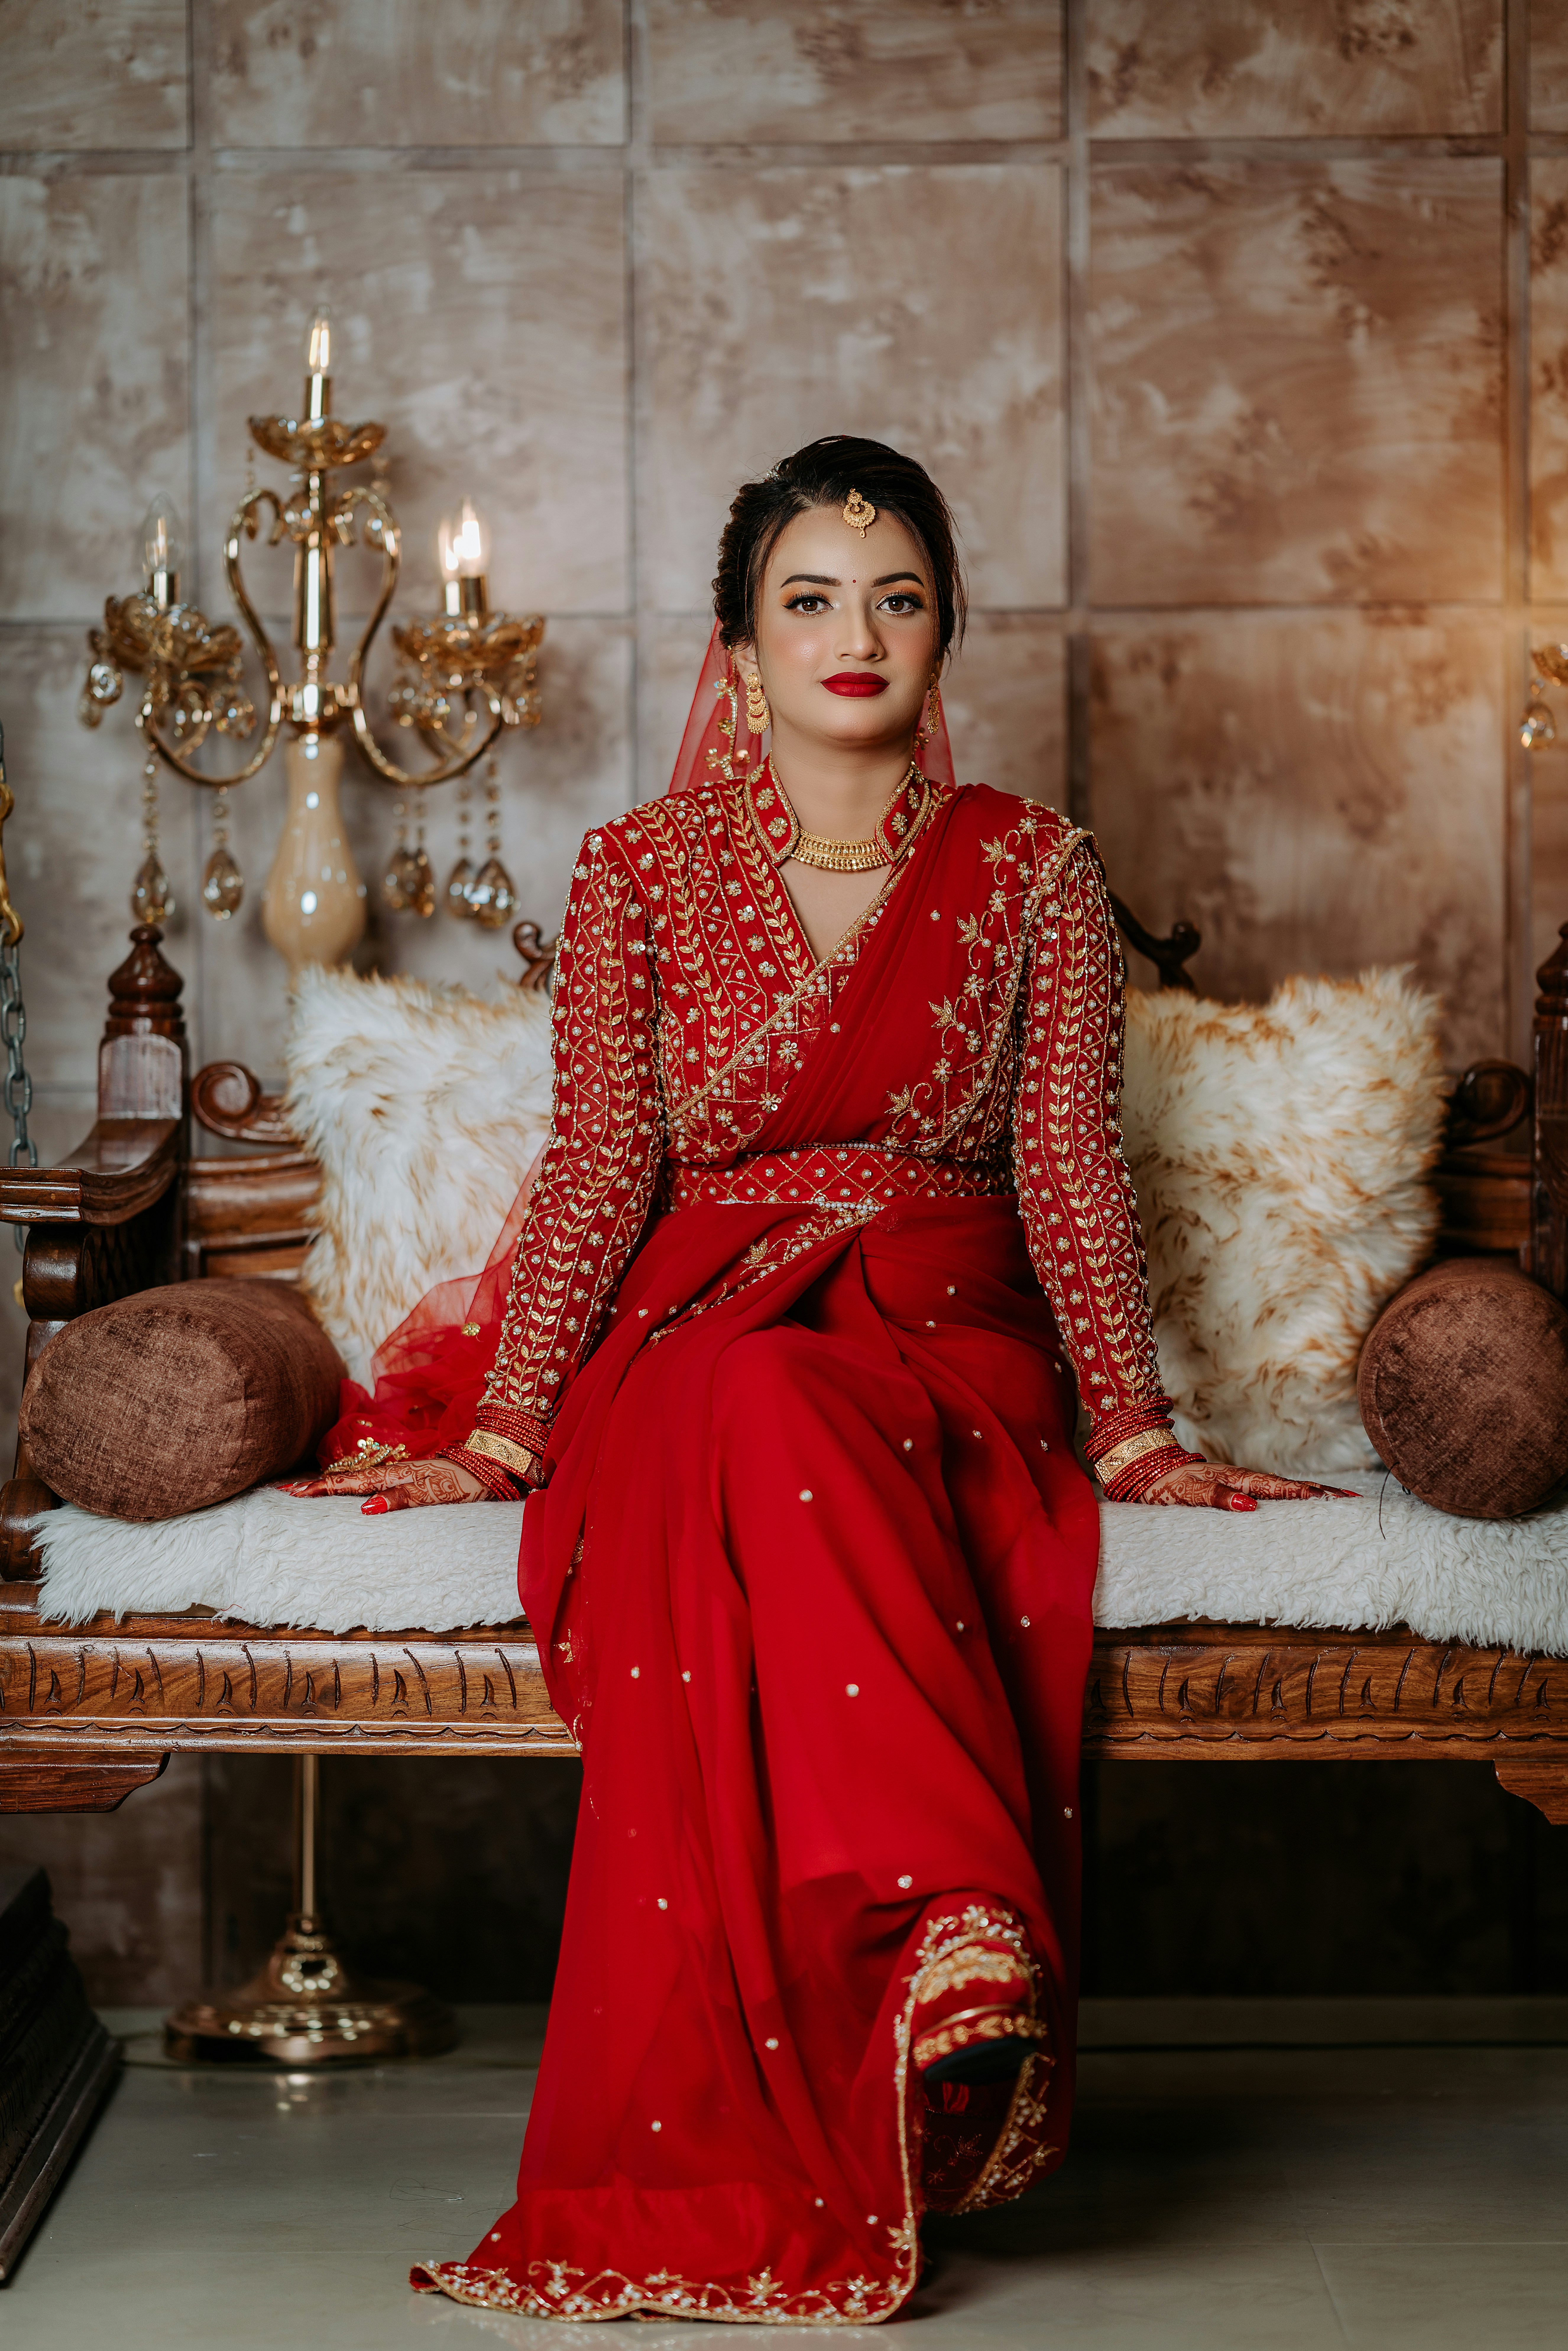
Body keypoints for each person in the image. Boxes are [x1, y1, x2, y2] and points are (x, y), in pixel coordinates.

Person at [290, 436, 1344, 2324]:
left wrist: (1136, 1428)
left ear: (944, 630)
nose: (854, 634)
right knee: (742, 1399)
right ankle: (947, 1920)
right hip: (701, 1334)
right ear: (738, 643)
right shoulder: (638, 870)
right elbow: (604, 1168)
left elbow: (1068, 1168)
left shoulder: (1031, 866)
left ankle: (932, 1948)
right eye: (808, 599)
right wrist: (510, 1427)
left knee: (776, 1407)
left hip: (948, 1345)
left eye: (898, 596)